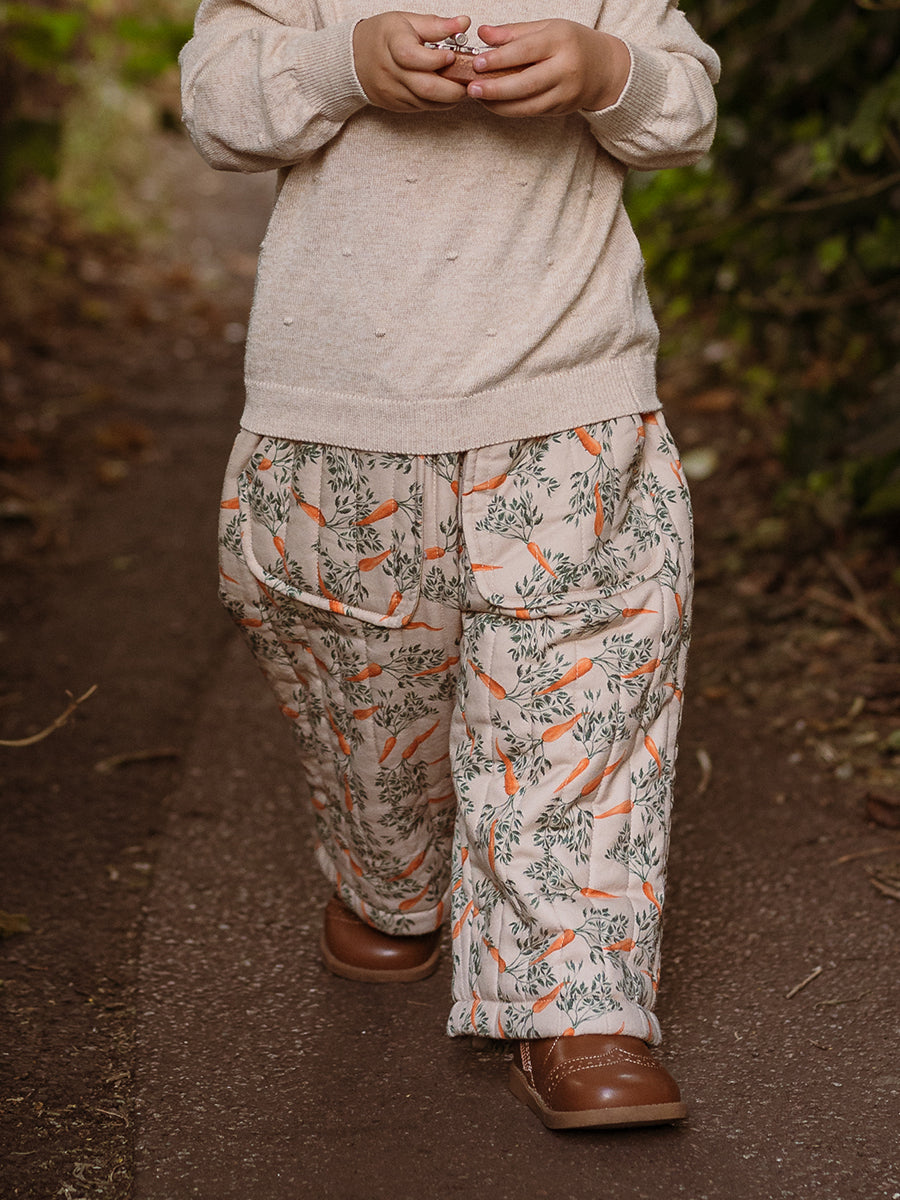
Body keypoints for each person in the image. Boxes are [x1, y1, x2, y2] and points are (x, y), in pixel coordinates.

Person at [179, 0, 719, 1130]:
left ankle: (580, 1008)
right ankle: (389, 880)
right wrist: (341, 64)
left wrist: (608, 71)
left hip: (570, 397)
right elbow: (219, 107)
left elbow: (686, 112)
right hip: (340, 418)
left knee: (580, 706)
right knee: (373, 707)